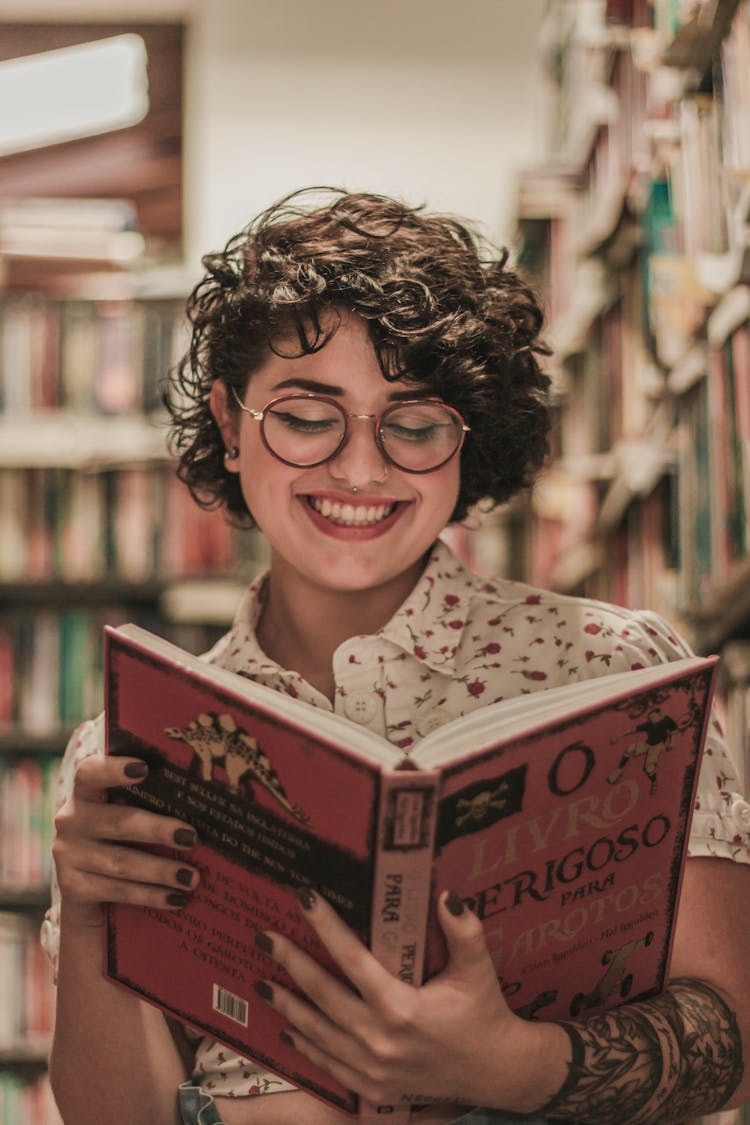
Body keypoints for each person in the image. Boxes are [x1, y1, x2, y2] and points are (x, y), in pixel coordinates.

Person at [42, 188, 750, 1125]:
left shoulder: (621, 671)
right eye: (306, 415)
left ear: (469, 440)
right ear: (228, 417)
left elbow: (729, 1049)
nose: (361, 470)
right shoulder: (135, 744)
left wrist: (507, 1063)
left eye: (412, 423)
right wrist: (92, 916)